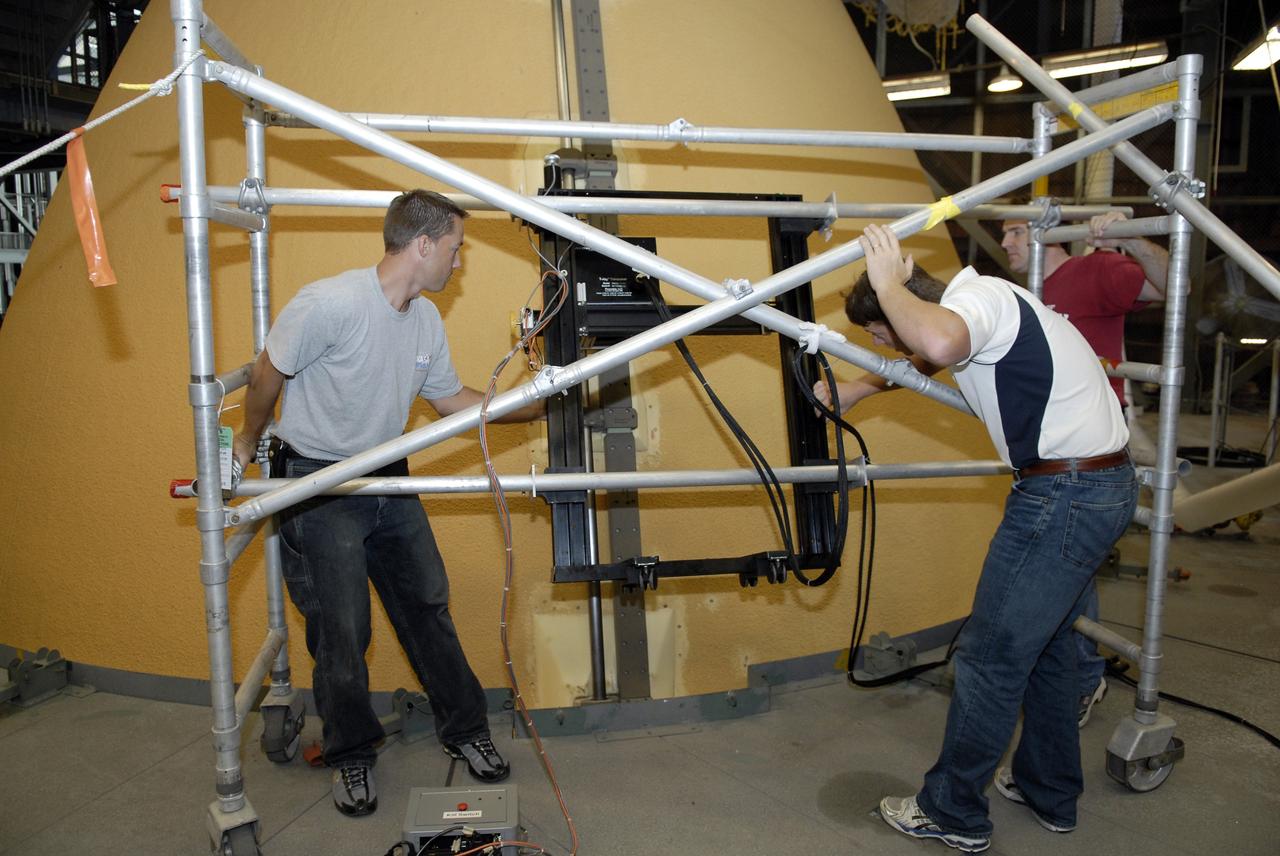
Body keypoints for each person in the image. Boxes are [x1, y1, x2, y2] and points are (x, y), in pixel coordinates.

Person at [232, 189, 544, 817]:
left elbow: (449, 398)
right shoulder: (331, 303)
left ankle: (466, 730)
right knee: (343, 629)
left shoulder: (425, 320)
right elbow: (269, 372)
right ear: (423, 244)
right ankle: (352, 755)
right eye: (455, 250)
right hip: (320, 484)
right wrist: (244, 439)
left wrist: (523, 405)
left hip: (387, 478)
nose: (458, 263)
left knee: (428, 605)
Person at [829, 224, 1137, 852]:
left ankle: (952, 812)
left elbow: (935, 338)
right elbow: (931, 350)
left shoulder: (982, 300)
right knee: (1048, 649)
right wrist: (860, 387)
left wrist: (887, 283)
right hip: (1093, 486)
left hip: (1063, 497)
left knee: (989, 657)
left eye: (880, 331)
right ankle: (1048, 790)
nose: (884, 343)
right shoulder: (985, 309)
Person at [1000, 208, 1168, 726]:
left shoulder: (1094, 269)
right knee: (1061, 561)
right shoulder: (1019, 294)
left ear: (1050, 235)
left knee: (1066, 559)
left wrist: (1130, 237)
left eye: (1016, 231)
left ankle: (1083, 676)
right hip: (1041, 444)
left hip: (1086, 444)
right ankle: (1070, 673)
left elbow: (1167, 286)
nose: (1005, 243)